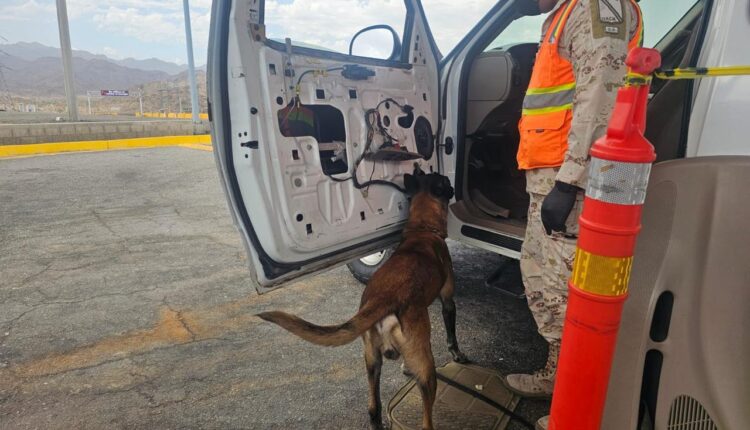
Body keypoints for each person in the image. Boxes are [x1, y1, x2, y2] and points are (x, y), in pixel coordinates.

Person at [504, 0, 643, 428]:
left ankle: (578, 409)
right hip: (550, 172)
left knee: (571, 293)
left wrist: (571, 180)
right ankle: (557, 376)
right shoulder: (565, 12)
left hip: (574, 176)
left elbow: (602, 92)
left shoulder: (599, 8)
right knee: (542, 278)